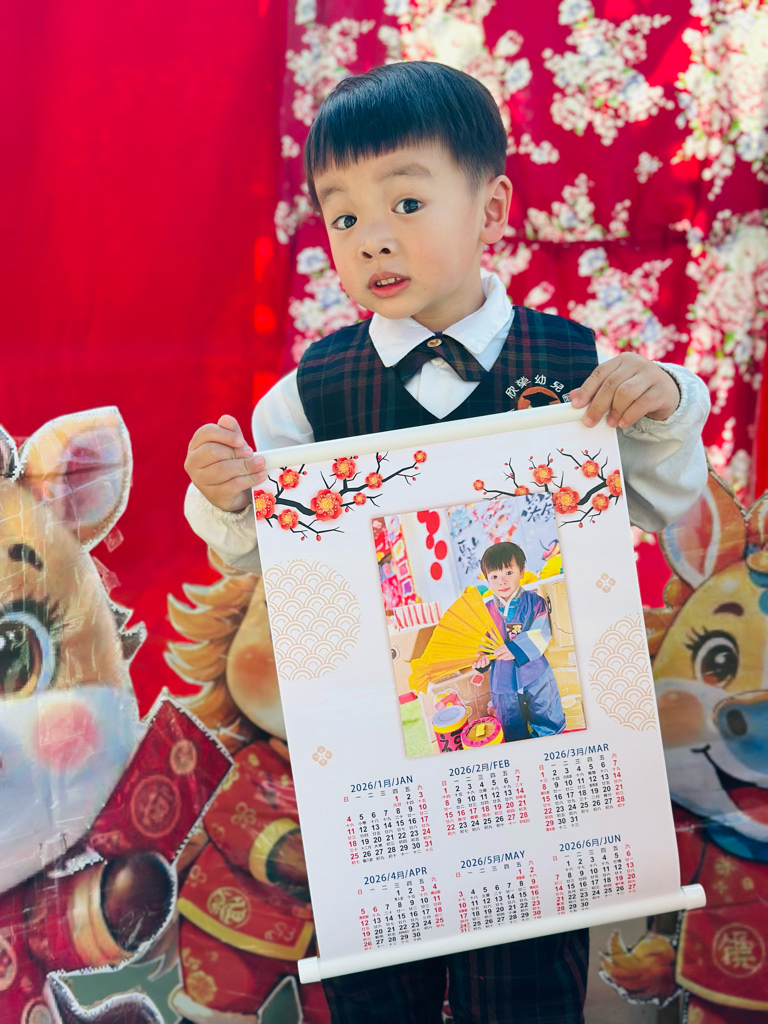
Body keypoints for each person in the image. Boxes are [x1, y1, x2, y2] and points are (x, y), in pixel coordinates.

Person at [183, 61, 710, 1024]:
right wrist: (223, 492)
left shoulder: (577, 368)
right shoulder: (309, 395)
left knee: (527, 992)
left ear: (492, 209)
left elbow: (666, 495)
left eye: (407, 202)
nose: (372, 237)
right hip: (378, 794)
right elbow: (251, 546)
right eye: (344, 217)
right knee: (376, 992)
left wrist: (667, 397)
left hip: (535, 790)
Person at [474, 542, 563, 742]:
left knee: (547, 720)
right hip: (502, 677)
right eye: (494, 576)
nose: (502, 581)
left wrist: (515, 648)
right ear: (487, 579)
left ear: (522, 571)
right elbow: (481, 643)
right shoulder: (484, 611)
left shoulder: (535, 601)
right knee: (511, 728)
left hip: (535, 673)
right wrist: (481, 660)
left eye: (508, 572)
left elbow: (541, 631)